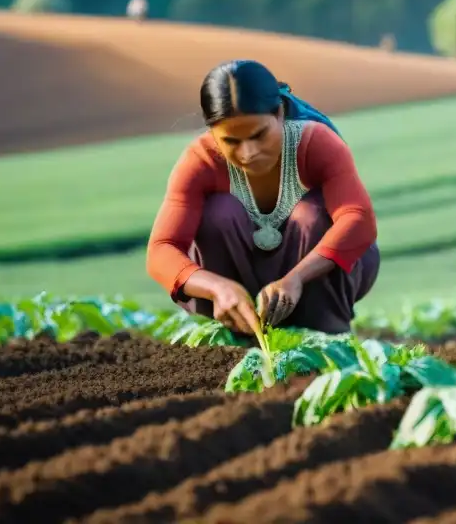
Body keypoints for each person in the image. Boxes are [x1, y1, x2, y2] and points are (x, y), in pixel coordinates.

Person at [146, 59, 380, 337]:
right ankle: (229, 338)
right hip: (236, 284)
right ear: (213, 133)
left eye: (259, 135)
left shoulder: (315, 142)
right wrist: (216, 287)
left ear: (280, 113)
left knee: (312, 215)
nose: (248, 153)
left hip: (314, 279)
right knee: (218, 214)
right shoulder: (201, 160)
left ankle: (325, 336)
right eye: (231, 141)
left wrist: (296, 279)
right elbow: (162, 248)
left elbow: (358, 219)